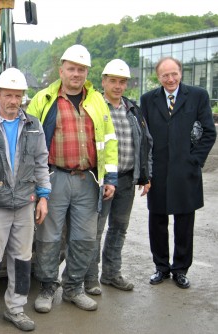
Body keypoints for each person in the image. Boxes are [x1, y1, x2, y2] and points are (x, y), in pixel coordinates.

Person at [26, 44, 118, 312]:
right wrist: (33, 182)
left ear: (87, 72)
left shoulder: (96, 100)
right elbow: (28, 143)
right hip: (54, 177)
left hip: (88, 179)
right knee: (49, 236)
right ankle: (46, 287)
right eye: (71, 68)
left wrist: (109, 177)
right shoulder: (43, 99)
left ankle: (73, 288)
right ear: (61, 70)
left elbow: (109, 141)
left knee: (84, 237)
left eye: (81, 69)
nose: (76, 74)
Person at [0, 68, 51, 334]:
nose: (14, 101)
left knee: (23, 258)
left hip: (26, 203)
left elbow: (41, 163)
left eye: (18, 96)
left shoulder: (33, 126)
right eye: (9, 95)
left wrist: (43, 197)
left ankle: (16, 309)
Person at [140, 56, 216, 289]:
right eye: (165, 75)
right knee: (157, 221)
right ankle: (161, 267)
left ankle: (181, 269)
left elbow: (208, 133)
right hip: (158, 172)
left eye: (174, 74)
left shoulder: (198, 96)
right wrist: (146, 172)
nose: (170, 79)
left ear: (180, 73)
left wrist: (194, 161)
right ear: (158, 77)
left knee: (184, 222)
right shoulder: (148, 99)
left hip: (186, 171)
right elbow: (144, 138)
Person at [84, 59, 153, 295]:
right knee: (96, 230)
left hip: (127, 179)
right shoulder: (93, 107)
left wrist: (145, 175)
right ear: (103, 81)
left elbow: (145, 143)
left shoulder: (132, 109)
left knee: (119, 228)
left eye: (122, 81)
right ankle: (90, 278)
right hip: (102, 180)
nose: (117, 86)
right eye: (112, 80)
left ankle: (112, 274)